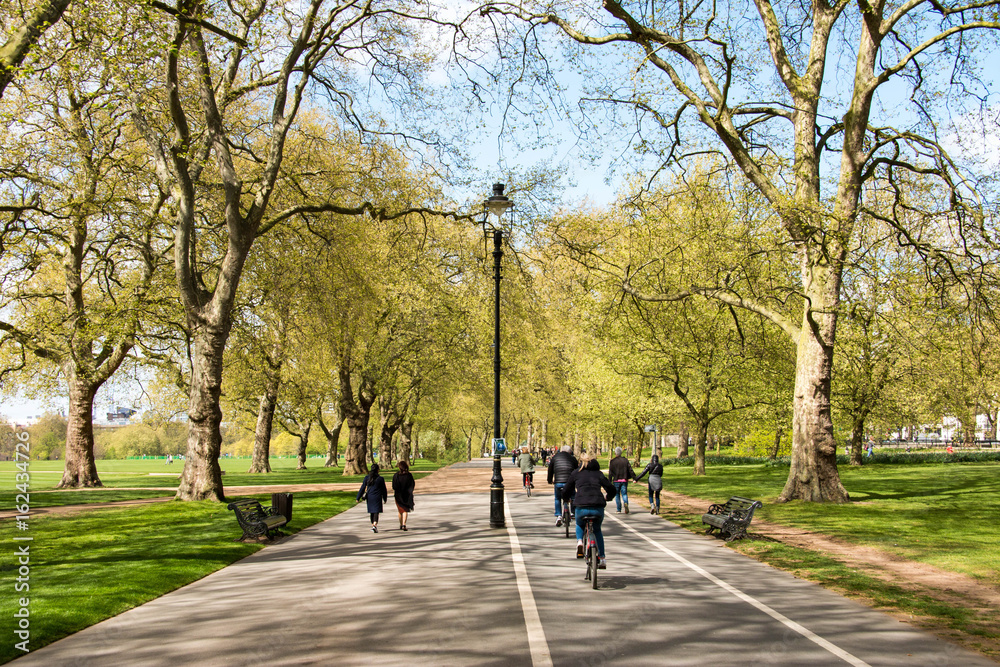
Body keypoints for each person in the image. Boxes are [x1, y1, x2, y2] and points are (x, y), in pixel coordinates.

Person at [562, 455, 616, 569]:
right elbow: (611, 488)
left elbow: (567, 489)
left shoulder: (576, 473)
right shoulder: (599, 474)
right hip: (597, 506)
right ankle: (602, 558)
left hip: (581, 506)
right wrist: (608, 497)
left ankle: (580, 541)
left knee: (579, 524)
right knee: (597, 530)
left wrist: (566, 498)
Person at [547, 445, 578, 525]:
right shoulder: (572, 459)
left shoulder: (555, 458)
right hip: (569, 482)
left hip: (558, 482)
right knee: (573, 496)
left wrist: (550, 480)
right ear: (570, 452)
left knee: (557, 498)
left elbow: (550, 470)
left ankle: (558, 515)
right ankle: (573, 512)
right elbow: (577, 470)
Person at [356, 464, 388, 533]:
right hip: (377, 497)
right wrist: (385, 498)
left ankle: (373, 525)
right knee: (376, 511)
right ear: (377, 470)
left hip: (370, 497)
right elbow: (384, 489)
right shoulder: (380, 479)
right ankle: (375, 525)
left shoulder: (367, 478)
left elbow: (362, 488)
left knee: (372, 512)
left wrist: (358, 497)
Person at [608, 447, 636, 514]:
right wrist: (634, 477)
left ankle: (618, 509)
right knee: (624, 494)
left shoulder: (612, 461)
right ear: (621, 453)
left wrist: (609, 481)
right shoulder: (625, 460)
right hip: (624, 480)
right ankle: (626, 503)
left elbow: (610, 472)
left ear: (615, 453)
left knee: (617, 494)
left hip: (616, 480)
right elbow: (630, 469)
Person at [391, 461, 415, 531]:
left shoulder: (396, 475)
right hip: (407, 495)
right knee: (405, 510)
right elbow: (412, 485)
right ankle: (404, 524)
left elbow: (394, 486)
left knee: (400, 510)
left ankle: (401, 524)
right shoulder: (409, 475)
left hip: (398, 496)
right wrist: (410, 491)